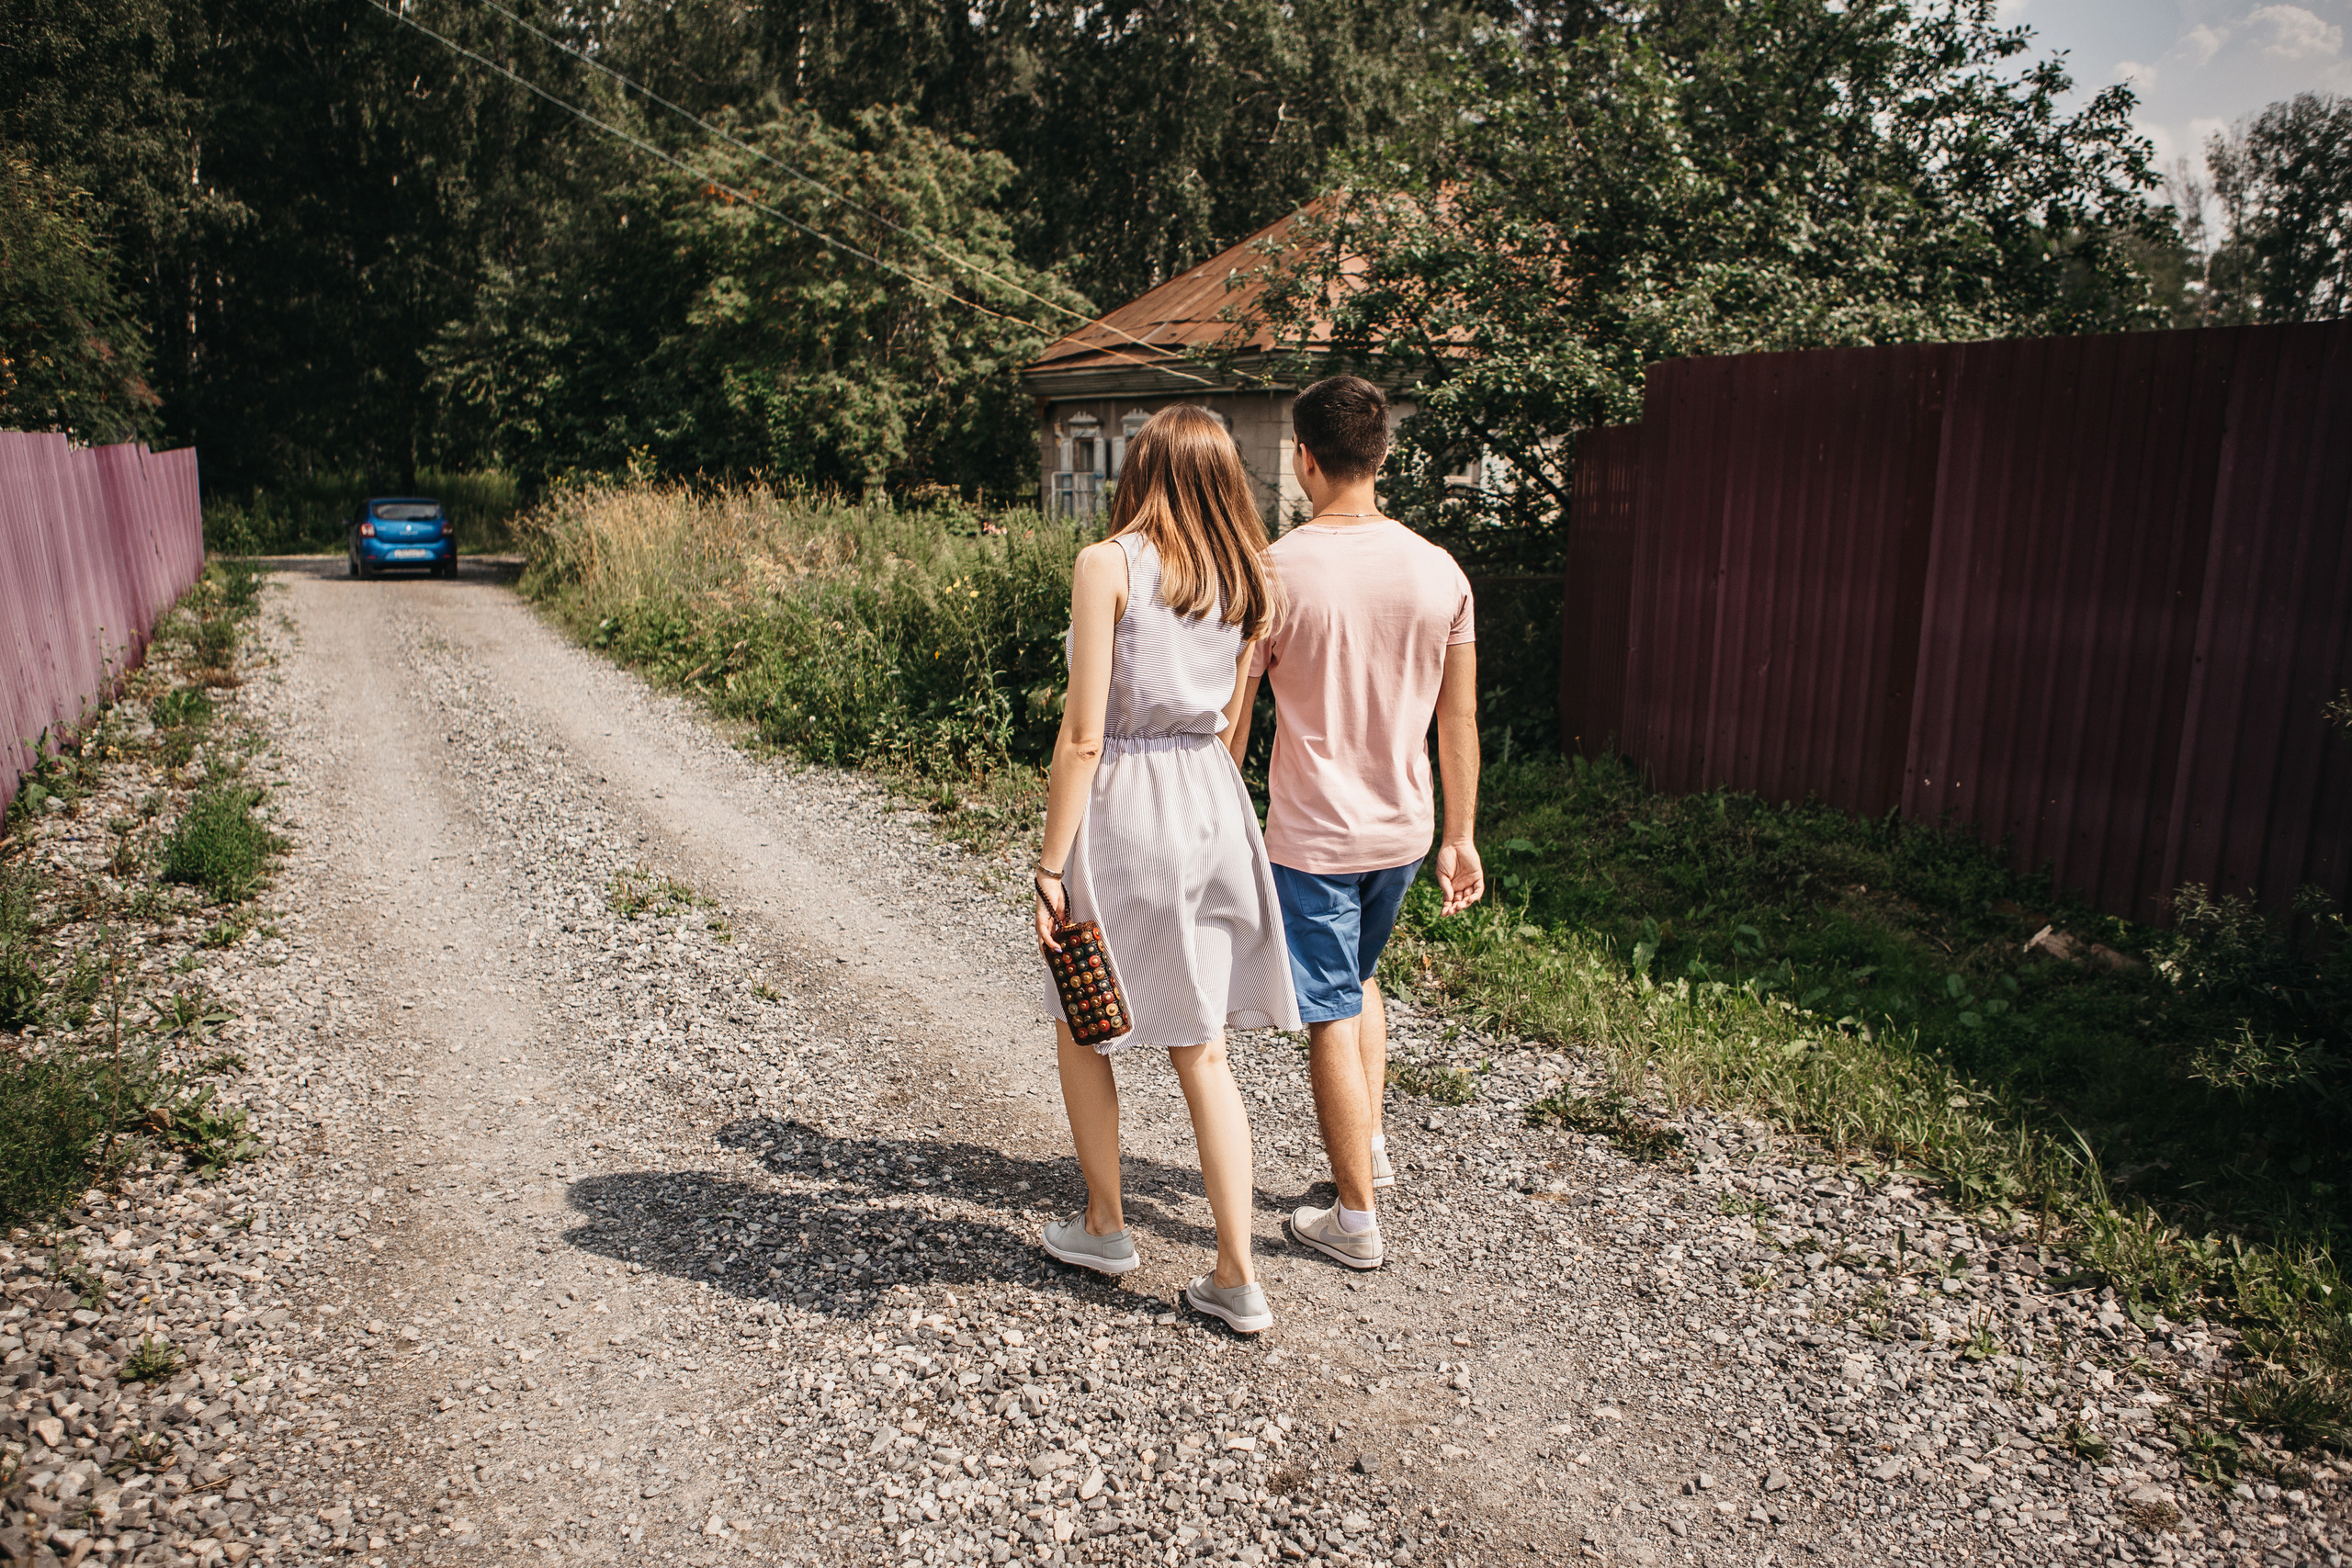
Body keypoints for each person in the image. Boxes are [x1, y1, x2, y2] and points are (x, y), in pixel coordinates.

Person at [1030, 404, 1300, 1334]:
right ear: (1224, 477)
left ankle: (1106, 1225)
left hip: (1129, 805)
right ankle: (1235, 1274)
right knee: (1202, 1045)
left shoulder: (1107, 563)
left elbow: (1082, 734)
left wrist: (1049, 864)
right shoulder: (1245, 578)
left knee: (1085, 1011)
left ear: (1138, 469)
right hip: (1214, 803)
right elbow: (1231, 715)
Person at [1227, 375, 1484, 1271]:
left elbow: (1235, 715)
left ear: (1302, 459)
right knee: (1361, 979)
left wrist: (1214, 817)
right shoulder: (1439, 570)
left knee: (1330, 1008)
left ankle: (1355, 1220)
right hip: (1406, 833)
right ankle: (1364, 1146)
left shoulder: (1273, 570)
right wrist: (1461, 835)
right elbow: (1458, 720)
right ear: (1382, 455)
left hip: (1312, 837)